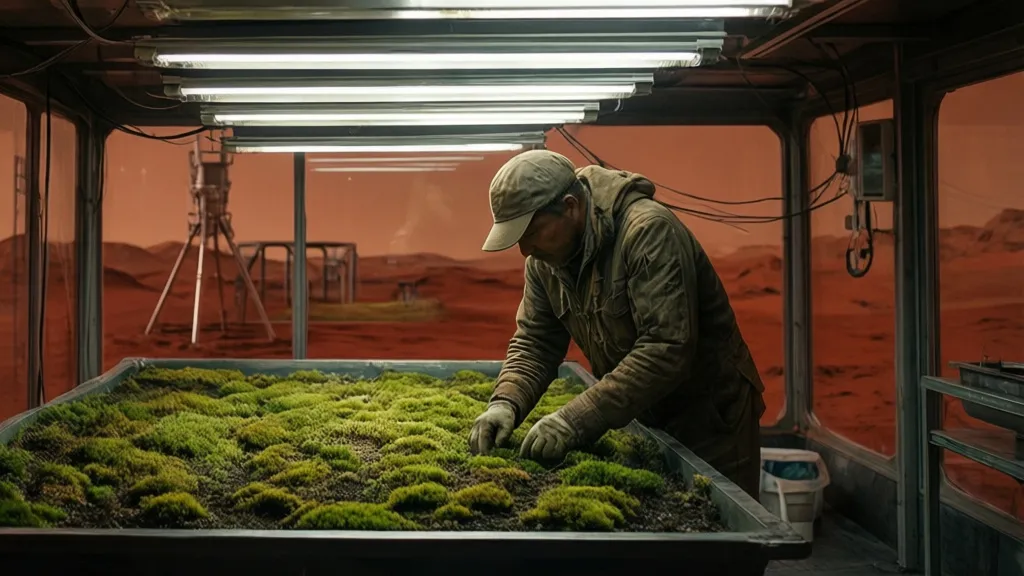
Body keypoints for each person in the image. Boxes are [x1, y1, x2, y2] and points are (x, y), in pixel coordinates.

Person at [466, 149, 766, 498]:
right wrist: (506, 402)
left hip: (710, 420)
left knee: (718, 539)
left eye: (530, 232)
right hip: (641, 415)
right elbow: (536, 341)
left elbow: (666, 348)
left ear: (570, 206)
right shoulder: (546, 260)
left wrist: (574, 420)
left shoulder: (649, 232)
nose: (524, 250)